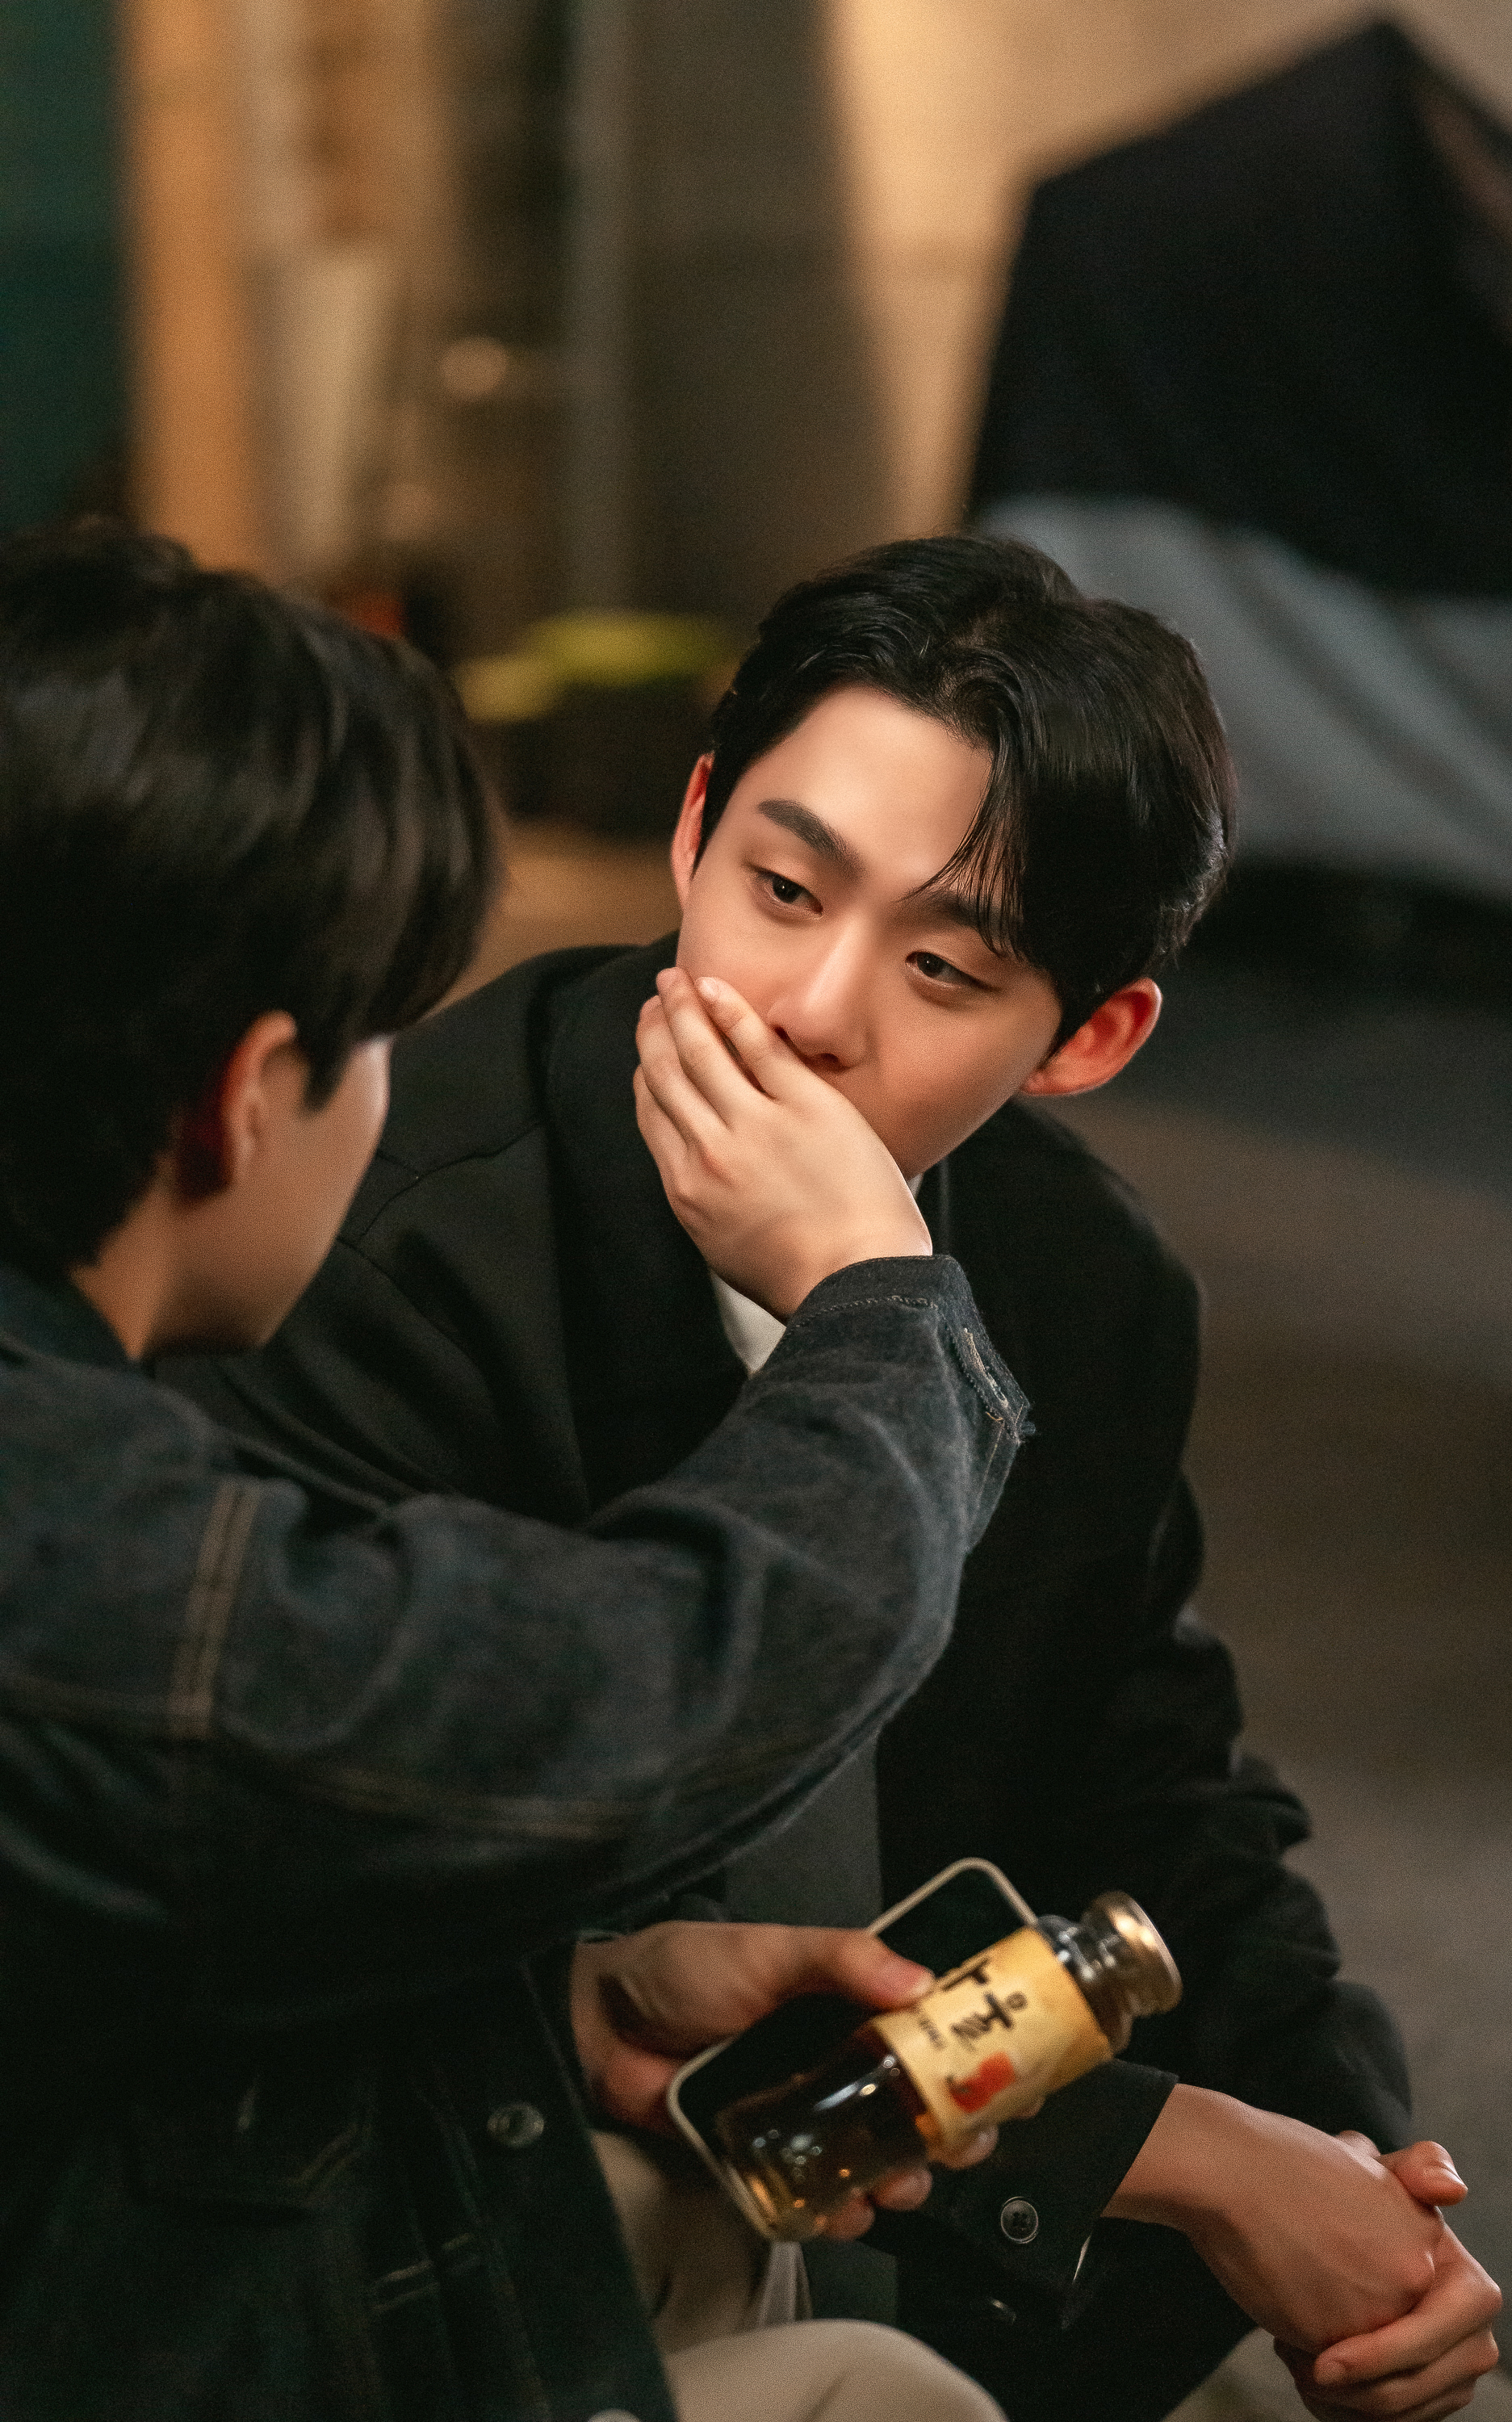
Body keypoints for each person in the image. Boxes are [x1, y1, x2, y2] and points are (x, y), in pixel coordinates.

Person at [174, 535, 1502, 2422]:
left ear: (1090, 1035)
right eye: (781, 888)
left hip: (936, 2198)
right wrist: (1172, 2155)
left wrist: (1355, 2169)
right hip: (467, 2196)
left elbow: (1162, 1794)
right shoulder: (387, 1239)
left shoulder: (1080, 1276)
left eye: (943, 967)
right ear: (693, 826)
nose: (807, 1005)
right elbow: (390, 1946)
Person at [0, 522, 1044, 2422]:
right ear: (244, 1097)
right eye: (376, 1035)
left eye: (948, 960)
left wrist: (565, 2000)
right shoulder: (89, 1551)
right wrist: (877, 1308)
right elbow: (644, 1687)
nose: (815, 1014)